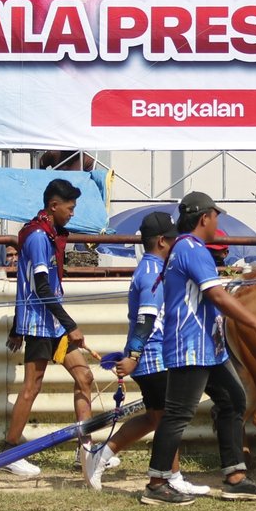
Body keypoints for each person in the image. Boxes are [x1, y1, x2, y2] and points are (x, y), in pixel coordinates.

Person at [140, 191, 256, 506]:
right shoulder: (191, 249)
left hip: (208, 346)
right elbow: (217, 296)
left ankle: (235, 478)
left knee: (233, 400)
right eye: (216, 216)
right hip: (190, 345)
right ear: (205, 218)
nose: (218, 221)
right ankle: (156, 483)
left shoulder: (188, 249)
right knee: (178, 413)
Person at [83, 211, 205, 495]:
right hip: (152, 356)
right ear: (162, 241)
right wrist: (134, 356)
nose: (176, 244)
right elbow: (146, 319)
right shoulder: (151, 273)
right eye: (173, 239)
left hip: (151, 355)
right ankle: (165, 475)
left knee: (156, 418)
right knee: (167, 419)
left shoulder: (152, 269)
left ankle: (108, 458)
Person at [2, 178, 94, 478]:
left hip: (53, 326)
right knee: (32, 387)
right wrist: (71, 326)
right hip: (43, 325)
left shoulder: (47, 232)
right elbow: (40, 287)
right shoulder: (40, 237)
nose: (72, 213)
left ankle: (87, 450)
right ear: (53, 206)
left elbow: (26, 283)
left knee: (84, 376)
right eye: (69, 208)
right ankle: (10, 450)